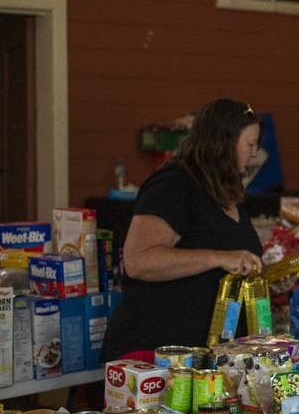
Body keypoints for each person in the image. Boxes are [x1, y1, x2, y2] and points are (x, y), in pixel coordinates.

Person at [102, 98, 265, 361]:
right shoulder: (174, 184)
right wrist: (219, 258)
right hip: (158, 353)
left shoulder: (223, 190)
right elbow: (139, 261)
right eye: (250, 144)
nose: (255, 152)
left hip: (203, 357)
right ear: (224, 142)